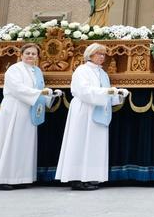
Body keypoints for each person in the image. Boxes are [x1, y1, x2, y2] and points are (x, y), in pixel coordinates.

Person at [0, 43, 61, 190]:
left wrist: (50, 95)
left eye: (34, 54)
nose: (31, 56)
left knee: (25, 143)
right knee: (11, 140)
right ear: (21, 54)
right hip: (15, 108)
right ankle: (4, 178)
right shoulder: (14, 69)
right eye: (28, 53)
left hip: (29, 109)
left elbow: (38, 90)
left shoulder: (37, 71)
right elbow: (17, 88)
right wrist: (39, 93)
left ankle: (20, 177)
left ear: (38, 56)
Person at [55, 43, 128, 190]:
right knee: (80, 142)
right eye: (98, 54)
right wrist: (108, 93)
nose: (102, 57)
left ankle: (90, 176)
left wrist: (117, 95)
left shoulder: (103, 73)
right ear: (90, 55)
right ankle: (76, 178)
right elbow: (83, 90)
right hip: (84, 110)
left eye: (103, 54)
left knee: (94, 144)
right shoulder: (82, 70)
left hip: (98, 110)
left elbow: (105, 93)